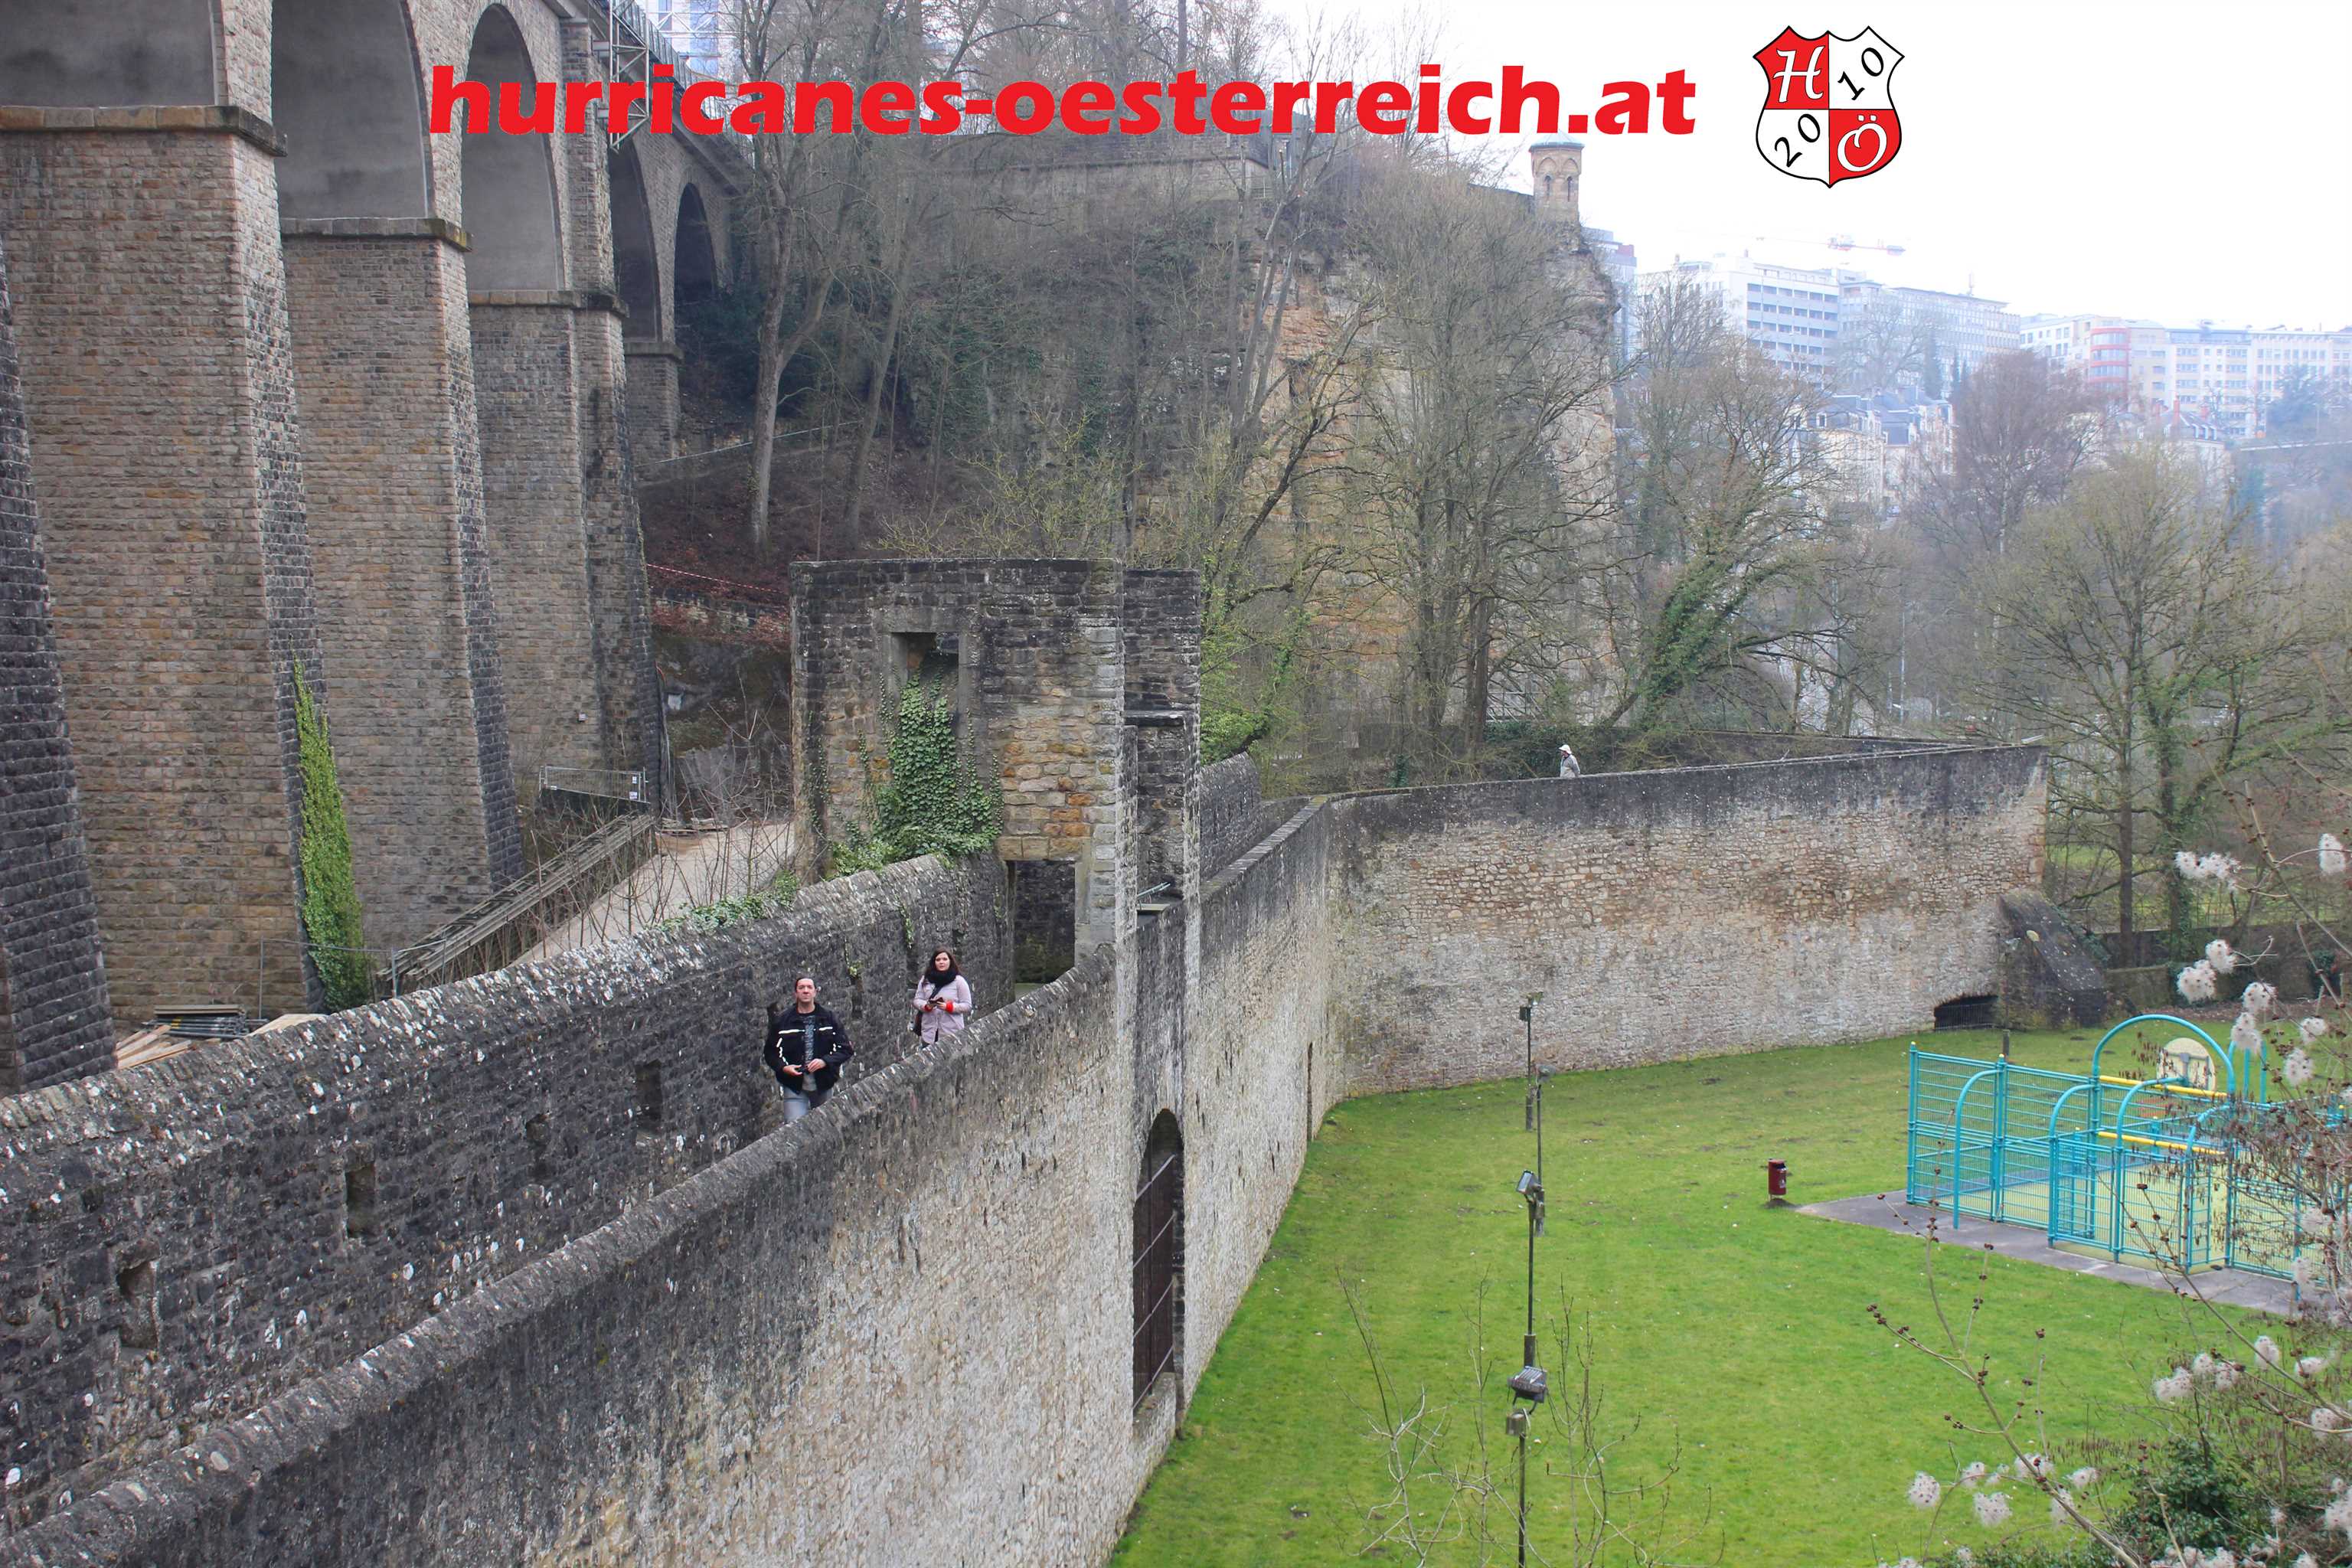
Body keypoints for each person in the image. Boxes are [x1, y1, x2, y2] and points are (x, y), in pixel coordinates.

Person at [765, 975, 851, 1124]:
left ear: (815, 992)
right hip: (794, 1085)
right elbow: (770, 1052)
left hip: (823, 1083)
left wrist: (824, 1062)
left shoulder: (829, 1019)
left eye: (809, 987)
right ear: (796, 993)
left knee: (825, 1125)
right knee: (794, 1127)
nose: (806, 991)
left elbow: (845, 1049)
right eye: (801, 988)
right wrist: (784, 1068)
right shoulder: (782, 1021)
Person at [913, 948, 972, 1044]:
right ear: (934, 962)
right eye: (938, 960)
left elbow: (967, 1005)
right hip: (929, 1034)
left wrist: (949, 1007)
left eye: (945, 959)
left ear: (950, 961)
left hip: (951, 1034)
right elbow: (917, 1000)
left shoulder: (959, 981)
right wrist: (926, 1006)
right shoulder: (926, 980)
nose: (941, 962)